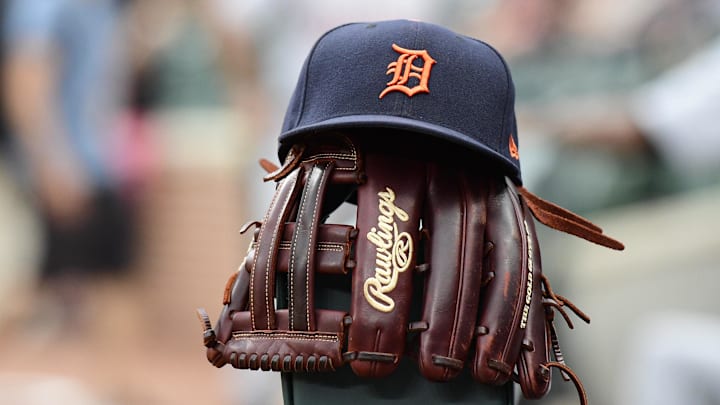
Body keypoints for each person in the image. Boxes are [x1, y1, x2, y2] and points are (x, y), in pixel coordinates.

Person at [2, 0, 136, 331]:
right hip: (63, 174)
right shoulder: (46, 6)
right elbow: (24, 77)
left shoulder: (104, 9)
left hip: (98, 169)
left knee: (97, 310)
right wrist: (50, 163)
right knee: (38, 310)